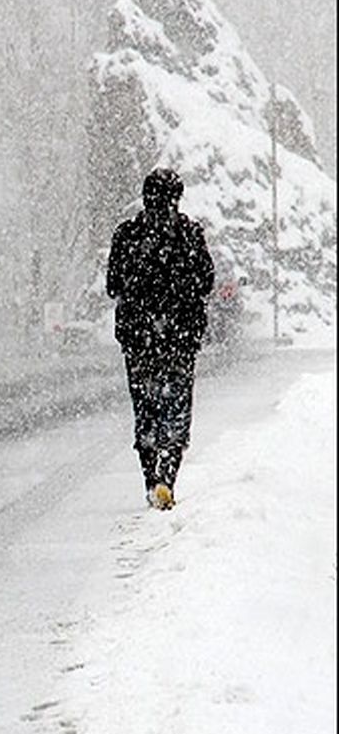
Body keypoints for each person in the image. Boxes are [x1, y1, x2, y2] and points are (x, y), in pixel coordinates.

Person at [106, 167, 215, 510]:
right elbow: (207, 281)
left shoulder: (127, 235)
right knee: (176, 409)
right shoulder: (190, 234)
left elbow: (112, 286)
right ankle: (168, 475)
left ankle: (152, 480)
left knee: (147, 411)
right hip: (180, 341)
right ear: (178, 197)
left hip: (139, 342)